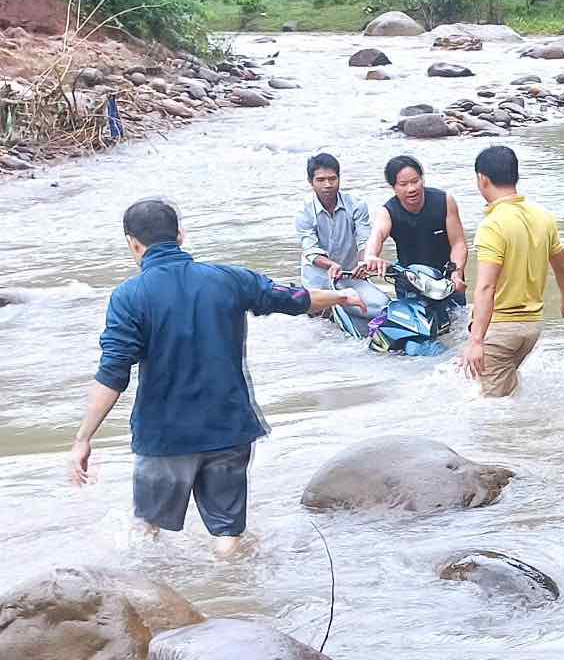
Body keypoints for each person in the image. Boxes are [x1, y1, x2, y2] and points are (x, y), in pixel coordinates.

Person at [68, 199, 366, 557]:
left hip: (165, 437)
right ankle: (235, 595)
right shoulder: (228, 279)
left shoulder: (129, 297)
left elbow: (114, 373)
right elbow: (292, 299)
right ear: (180, 235)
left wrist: (84, 437)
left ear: (132, 243)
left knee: (146, 533)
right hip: (229, 428)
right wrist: (342, 296)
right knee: (227, 538)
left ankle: (158, 604)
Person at [460, 145, 564, 397]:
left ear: (482, 179)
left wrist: (477, 340)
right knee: (507, 393)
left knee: (493, 408)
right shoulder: (543, 217)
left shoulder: (492, 225)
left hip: (501, 330)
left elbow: (486, 286)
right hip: (530, 328)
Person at [295, 152, 388, 318]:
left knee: (382, 306)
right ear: (311, 182)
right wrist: (331, 265)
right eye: (321, 180)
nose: (328, 185)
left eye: (332, 178)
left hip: (351, 276)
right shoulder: (304, 212)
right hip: (318, 282)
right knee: (319, 328)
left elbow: (364, 240)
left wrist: (363, 262)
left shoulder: (356, 205)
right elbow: (311, 250)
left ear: (339, 178)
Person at [363, 155, 468, 300]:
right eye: (403, 184)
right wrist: (370, 256)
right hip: (410, 280)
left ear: (422, 179)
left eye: (415, 181)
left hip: (446, 281)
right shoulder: (388, 211)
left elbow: (458, 243)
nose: (411, 188)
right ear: (393, 187)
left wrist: (457, 272)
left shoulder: (444, 201)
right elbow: (377, 235)